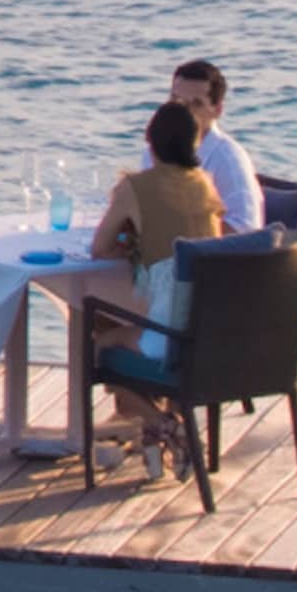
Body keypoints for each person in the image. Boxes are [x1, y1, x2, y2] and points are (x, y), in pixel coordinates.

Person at [92, 100, 224, 474]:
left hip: (170, 334)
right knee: (128, 324)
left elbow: (100, 248)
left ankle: (164, 425)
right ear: (194, 143)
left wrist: (129, 243)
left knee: (98, 345)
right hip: (209, 330)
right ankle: (157, 444)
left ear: (151, 142)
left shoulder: (134, 187)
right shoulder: (206, 184)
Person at [142, 58, 264, 233]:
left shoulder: (229, 160)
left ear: (217, 110)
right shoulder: (154, 149)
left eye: (196, 104)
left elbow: (246, 228)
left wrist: (184, 227)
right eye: (176, 100)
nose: (183, 111)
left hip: (202, 249)